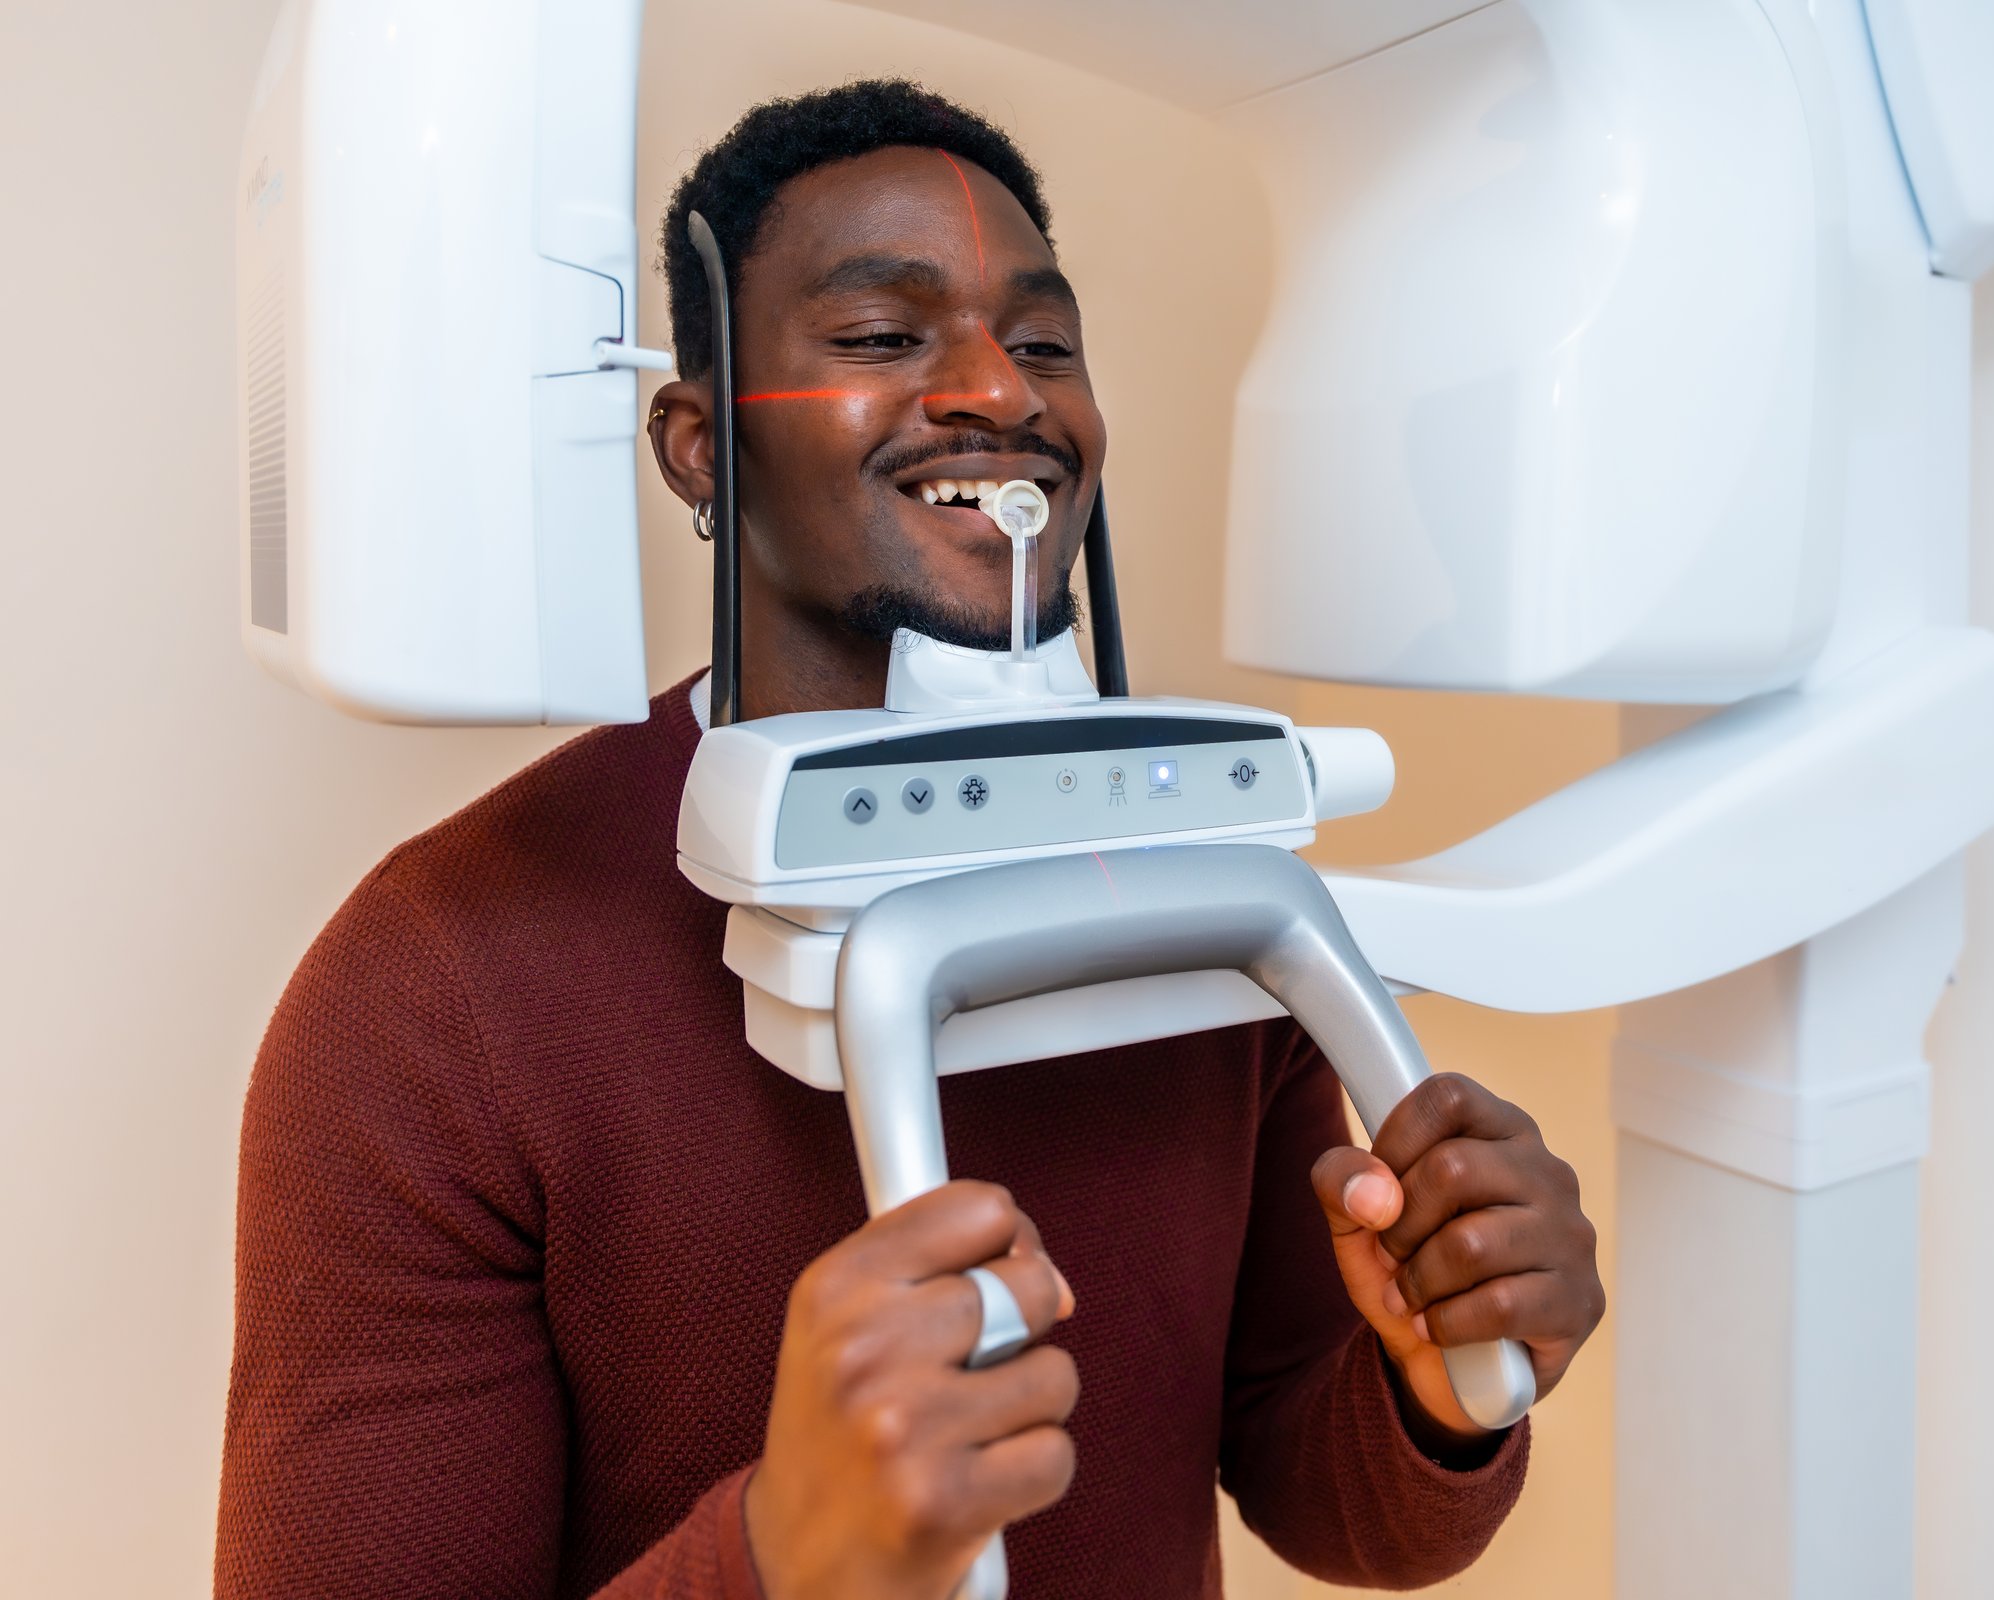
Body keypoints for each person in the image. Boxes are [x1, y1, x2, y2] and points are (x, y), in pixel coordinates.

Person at [215, 80, 1605, 1600]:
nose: (999, 394)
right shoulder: (432, 997)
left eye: (1048, 344)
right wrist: (779, 1558)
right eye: (883, 339)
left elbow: (1323, 1493)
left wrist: (1437, 1377)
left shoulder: (1209, 892)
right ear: (695, 446)